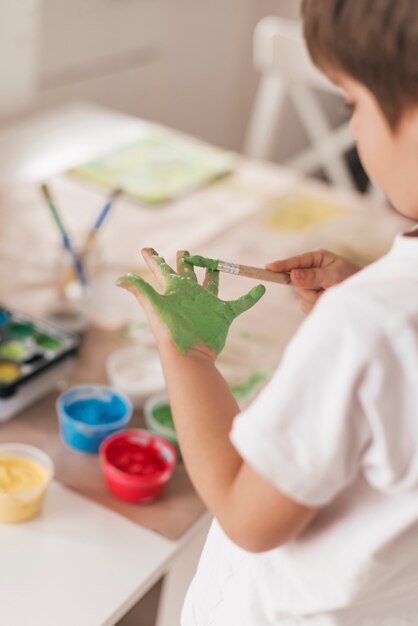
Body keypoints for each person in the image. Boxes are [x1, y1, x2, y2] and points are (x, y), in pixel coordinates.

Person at [116, 0, 418, 623]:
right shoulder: (378, 316)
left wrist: (188, 354)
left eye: (351, 104)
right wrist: (371, 295)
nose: (353, 128)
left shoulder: (367, 327)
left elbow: (246, 515)